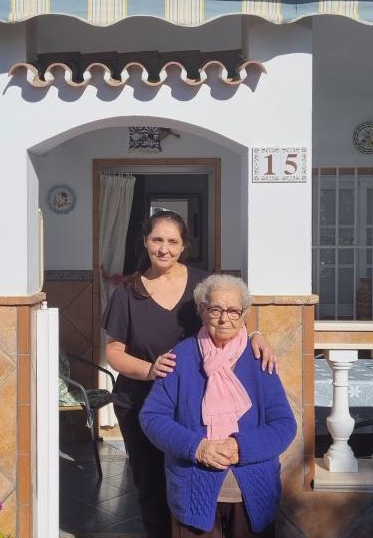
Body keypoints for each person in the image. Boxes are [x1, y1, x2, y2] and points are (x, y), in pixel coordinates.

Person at [102, 211, 277, 538]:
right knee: (151, 484)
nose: (164, 248)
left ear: (183, 246)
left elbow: (230, 318)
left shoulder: (202, 283)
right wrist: (150, 370)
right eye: (157, 240)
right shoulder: (127, 292)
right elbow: (113, 352)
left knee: (189, 480)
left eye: (172, 241)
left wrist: (256, 336)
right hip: (141, 401)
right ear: (145, 242)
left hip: (193, 404)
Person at [140, 274, 296, 538]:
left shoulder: (259, 357)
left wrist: (240, 447)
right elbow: (152, 417)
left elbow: (284, 425)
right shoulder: (181, 356)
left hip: (253, 495)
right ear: (202, 310)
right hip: (193, 491)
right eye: (215, 309)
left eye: (234, 311)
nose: (225, 319)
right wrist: (197, 447)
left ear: (244, 314)